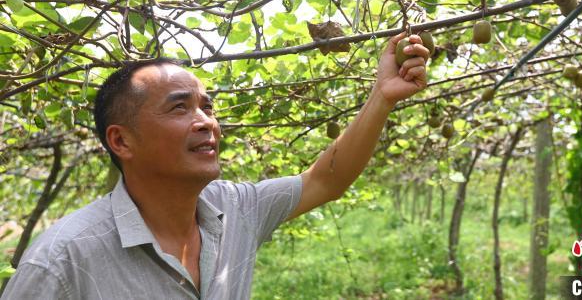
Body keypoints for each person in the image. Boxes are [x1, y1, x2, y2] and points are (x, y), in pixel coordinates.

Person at [1, 32, 430, 299]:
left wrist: (382, 96)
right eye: (179, 108)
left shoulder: (235, 210)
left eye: (207, 106)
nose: (206, 121)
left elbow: (325, 179)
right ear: (121, 140)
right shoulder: (61, 263)